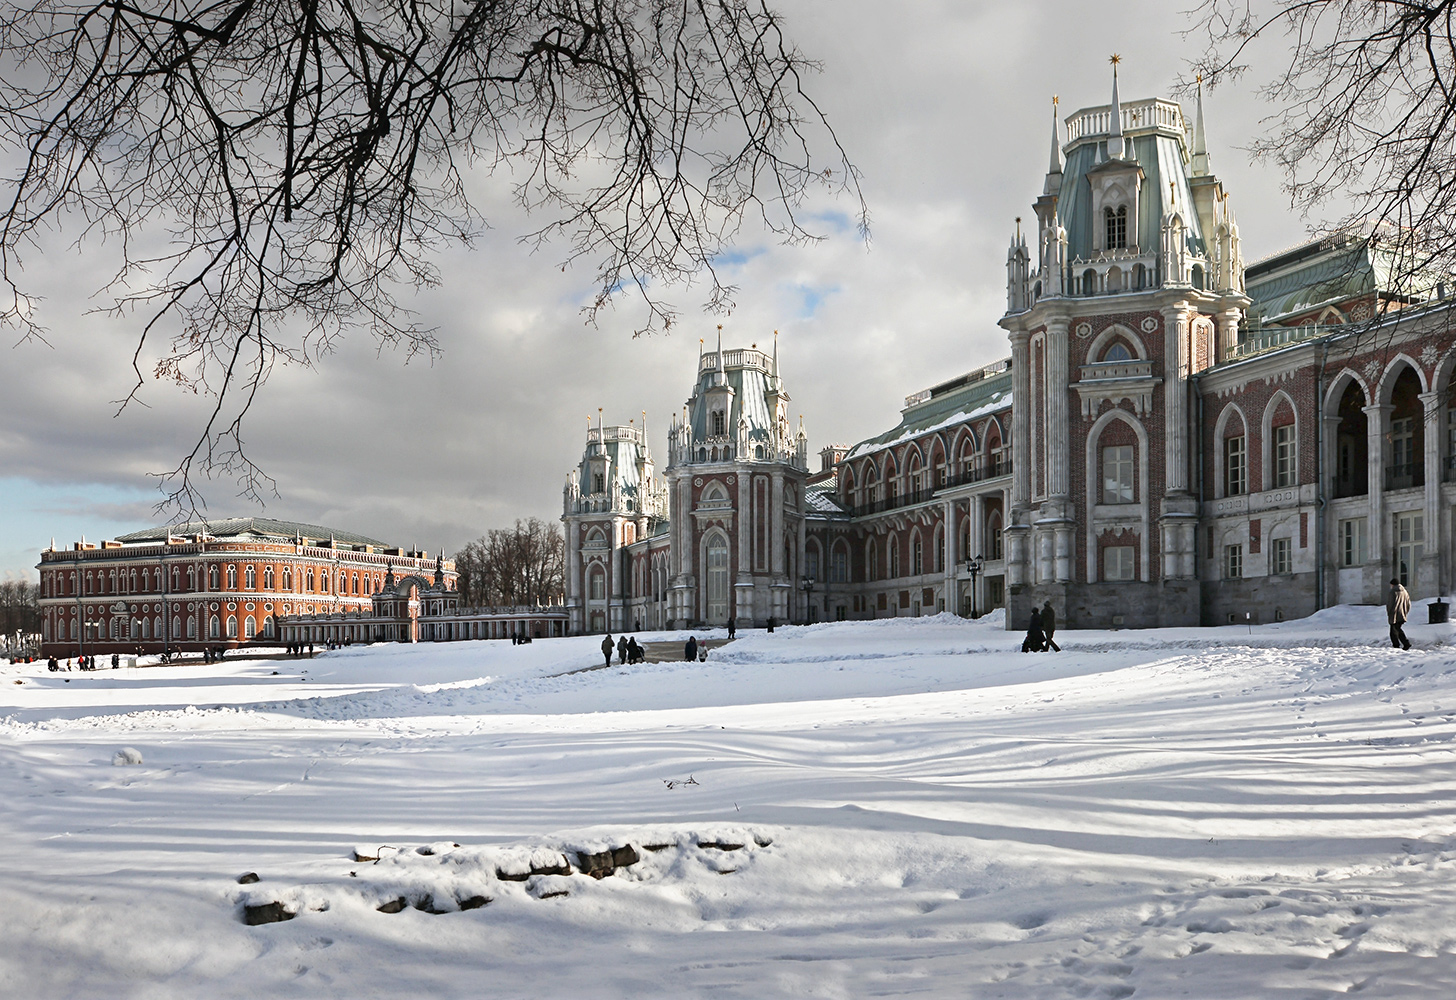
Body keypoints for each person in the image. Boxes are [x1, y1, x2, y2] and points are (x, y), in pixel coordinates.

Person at [1388, 578, 1412, 650]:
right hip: (1402, 614)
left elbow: (1390, 604)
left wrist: (1389, 613)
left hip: (1394, 614)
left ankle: (1397, 646)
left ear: (1392, 584)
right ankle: (1406, 644)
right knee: (1398, 629)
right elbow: (1408, 604)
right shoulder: (1404, 591)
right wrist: (1405, 612)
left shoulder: (1393, 592)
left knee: (1393, 632)